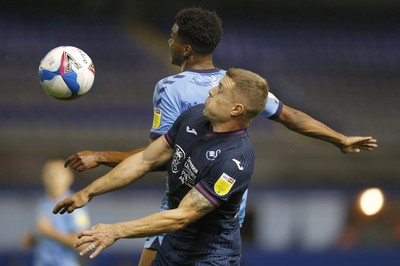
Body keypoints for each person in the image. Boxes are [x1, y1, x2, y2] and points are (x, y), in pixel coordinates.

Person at [64, 7, 378, 265]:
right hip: (205, 216)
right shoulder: (231, 91)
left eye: (172, 38)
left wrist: (102, 160)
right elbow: (291, 116)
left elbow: (161, 163)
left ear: (186, 48)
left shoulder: (177, 91)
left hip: (194, 217)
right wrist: (339, 138)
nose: (212, 93)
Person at [53, 68, 269, 265]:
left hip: (210, 257)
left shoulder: (235, 161)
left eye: (220, 90)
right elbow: (145, 160)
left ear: (236, 109)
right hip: (172, 247)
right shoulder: (193, 117)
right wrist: (88, 192)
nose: (212, 91)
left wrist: (115, 230)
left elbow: (182, 216)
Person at [21, 159, 91, 266]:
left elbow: (82, 244)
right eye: (48, 173)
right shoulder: (43, 203)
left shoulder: (75, 204)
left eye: (57, 174)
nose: (52, 177)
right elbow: (44, 233)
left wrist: (50, 232)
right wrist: (33, 239)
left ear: (69, 177)